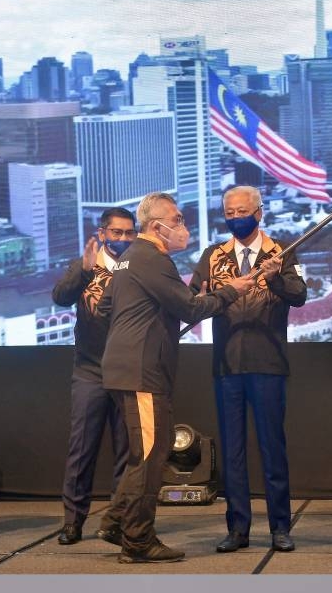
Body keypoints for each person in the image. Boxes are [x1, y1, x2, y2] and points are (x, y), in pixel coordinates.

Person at [100, 192, 253, 564]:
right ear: (157, 226)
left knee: (149, 450)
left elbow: (107, 306)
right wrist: (231, 290)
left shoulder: (128, 259)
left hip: (131, 367)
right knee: (150, 456)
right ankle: (137, 540)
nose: (183, 227)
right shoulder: (152, 257)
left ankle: (117, 521)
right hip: (142, 371)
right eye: (178, 219)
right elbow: (189, 308)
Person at [189, 185, 306, 554]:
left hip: (268, 364)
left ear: (259, 213)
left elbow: (299, 295)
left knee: (273, 449)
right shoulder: (212, 255)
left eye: (242, 211)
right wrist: (204, 297)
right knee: (232, 452)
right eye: (230, 212)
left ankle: (280, 528)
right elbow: (194, 300)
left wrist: (274, 277)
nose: (235, 217)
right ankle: (237, 528)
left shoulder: (281, 252)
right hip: (226, 365)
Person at [52, 208, 136, 546]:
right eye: (117, 233)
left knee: (127, 454)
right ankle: (73, 522)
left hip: (128, 372)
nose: (123, 239)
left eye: (130, 233)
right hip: (89, 372)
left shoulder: (138, 268)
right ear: (102, 233)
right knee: (81, 451)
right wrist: (84, 271)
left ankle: (117, 520)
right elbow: (60, 297)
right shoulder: (86, 264)